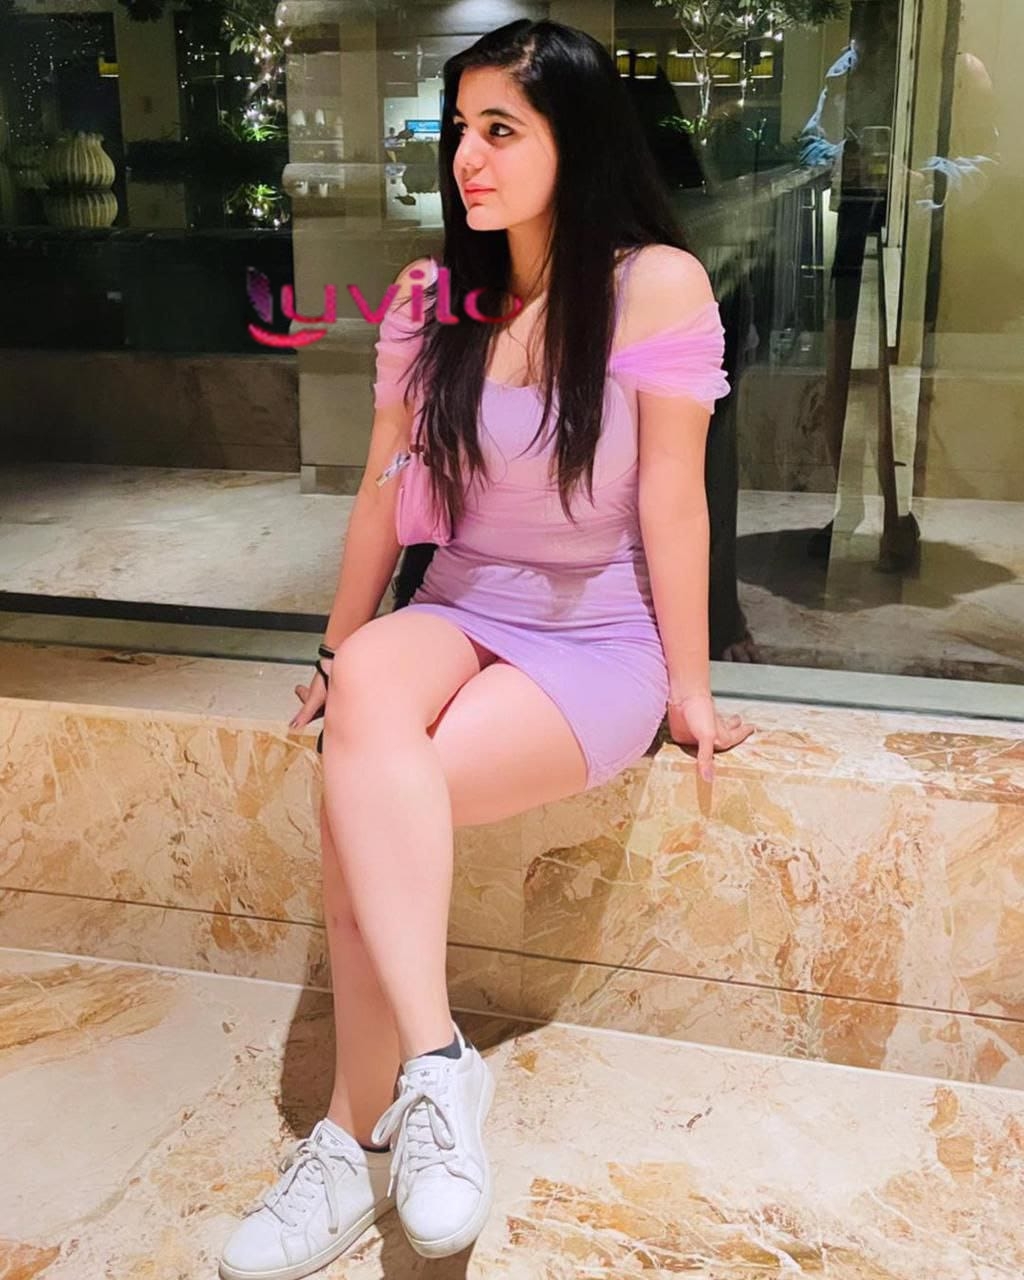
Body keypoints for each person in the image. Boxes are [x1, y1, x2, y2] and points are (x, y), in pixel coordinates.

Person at [218, 18, 754, 1280]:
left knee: (366, 803)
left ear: (577, 138)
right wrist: (335, 647)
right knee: (367, 693)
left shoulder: (653, 285)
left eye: (501, 129)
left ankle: (351, 1136)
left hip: (596, 636)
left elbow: (673, 500)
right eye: (458, 127)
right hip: (459, 603)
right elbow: (379, 493)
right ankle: (437, 1064)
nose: (467, 155)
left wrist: (688, 687)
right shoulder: (430, 299)